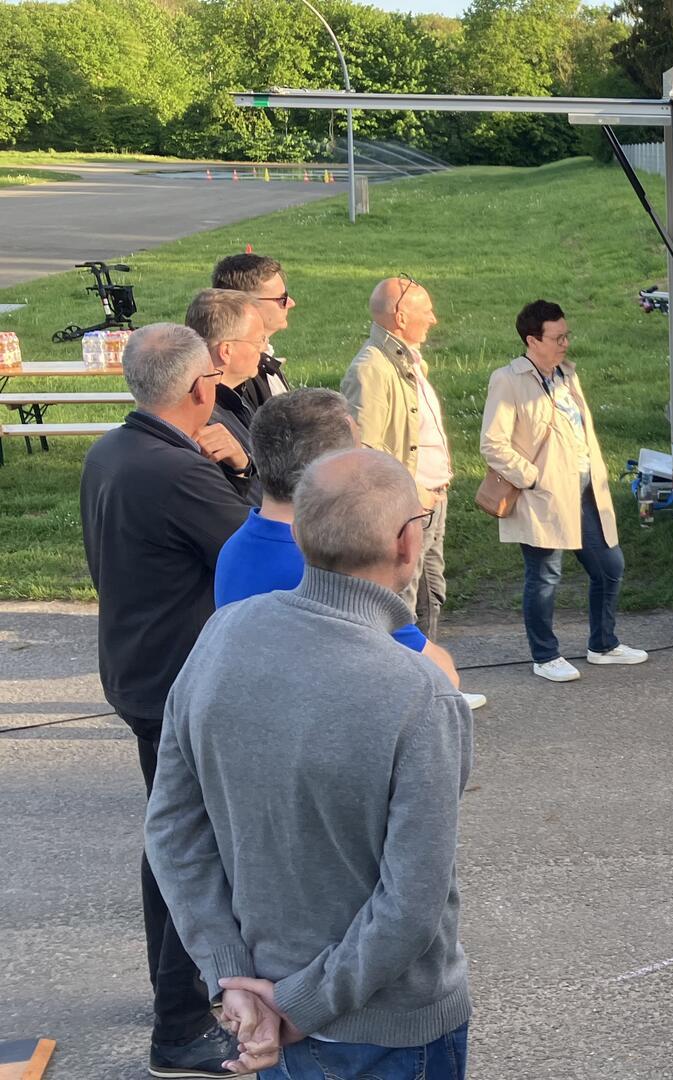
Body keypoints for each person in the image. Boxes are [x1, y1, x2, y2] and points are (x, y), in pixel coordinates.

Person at [148, 447, 475, 1080]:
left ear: (297, 531)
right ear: (410, 543)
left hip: (260, 1005)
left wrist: (231, 976)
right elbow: (410, 903)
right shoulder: (421, 693)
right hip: (388, 1031)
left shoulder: (221, 635)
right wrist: (302, 1006)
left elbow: (171, 830)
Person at [79, 323, 253, 1078]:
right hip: (180, 681)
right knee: (187, 848)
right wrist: (244, 473)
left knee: (174, 838)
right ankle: (180, 1020)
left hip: (139, 669)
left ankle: (182, 994)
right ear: (199, 390)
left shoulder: (111, 451)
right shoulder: (177, 472)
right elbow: (254, 552)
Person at [213, 387, 486, 711]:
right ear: (331, 467)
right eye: (358, 452)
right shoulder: (326, 566)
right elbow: (441, 675)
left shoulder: (236, 545)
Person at [480, 300, 648, 682]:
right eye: (557, 337)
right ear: (532, 340)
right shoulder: (508, 380)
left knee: (610, 567)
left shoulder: (567, 375)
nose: (565, 343)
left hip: (586, 491)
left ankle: (603, 645)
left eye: (566, 335)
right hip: (543, 495)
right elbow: (493, 443)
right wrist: (533, 478)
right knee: (544, 575)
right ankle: (545, 656)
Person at [342, 275, 451, 639]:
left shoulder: (408, 362)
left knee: (430, 594)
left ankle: (432, 681)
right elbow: (364, 449)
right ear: (401, 317)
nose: (434, 319)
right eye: (427, 311)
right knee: (402, 601)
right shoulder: (372, 368)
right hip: (409, 506)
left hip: (430, 501)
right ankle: (405, 687)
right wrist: (410, 493)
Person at [184, 287, 270, 501]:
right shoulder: (203, 417)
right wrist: (243, 467)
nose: (263, 348)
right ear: (226, 351)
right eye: (258, 340)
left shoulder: (237, 394)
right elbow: (246, 507)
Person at [211, 252, 295, 408]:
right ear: (246, 304)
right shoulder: (239, 372)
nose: (291, 303)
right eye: (281, 299)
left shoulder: (263, 361)